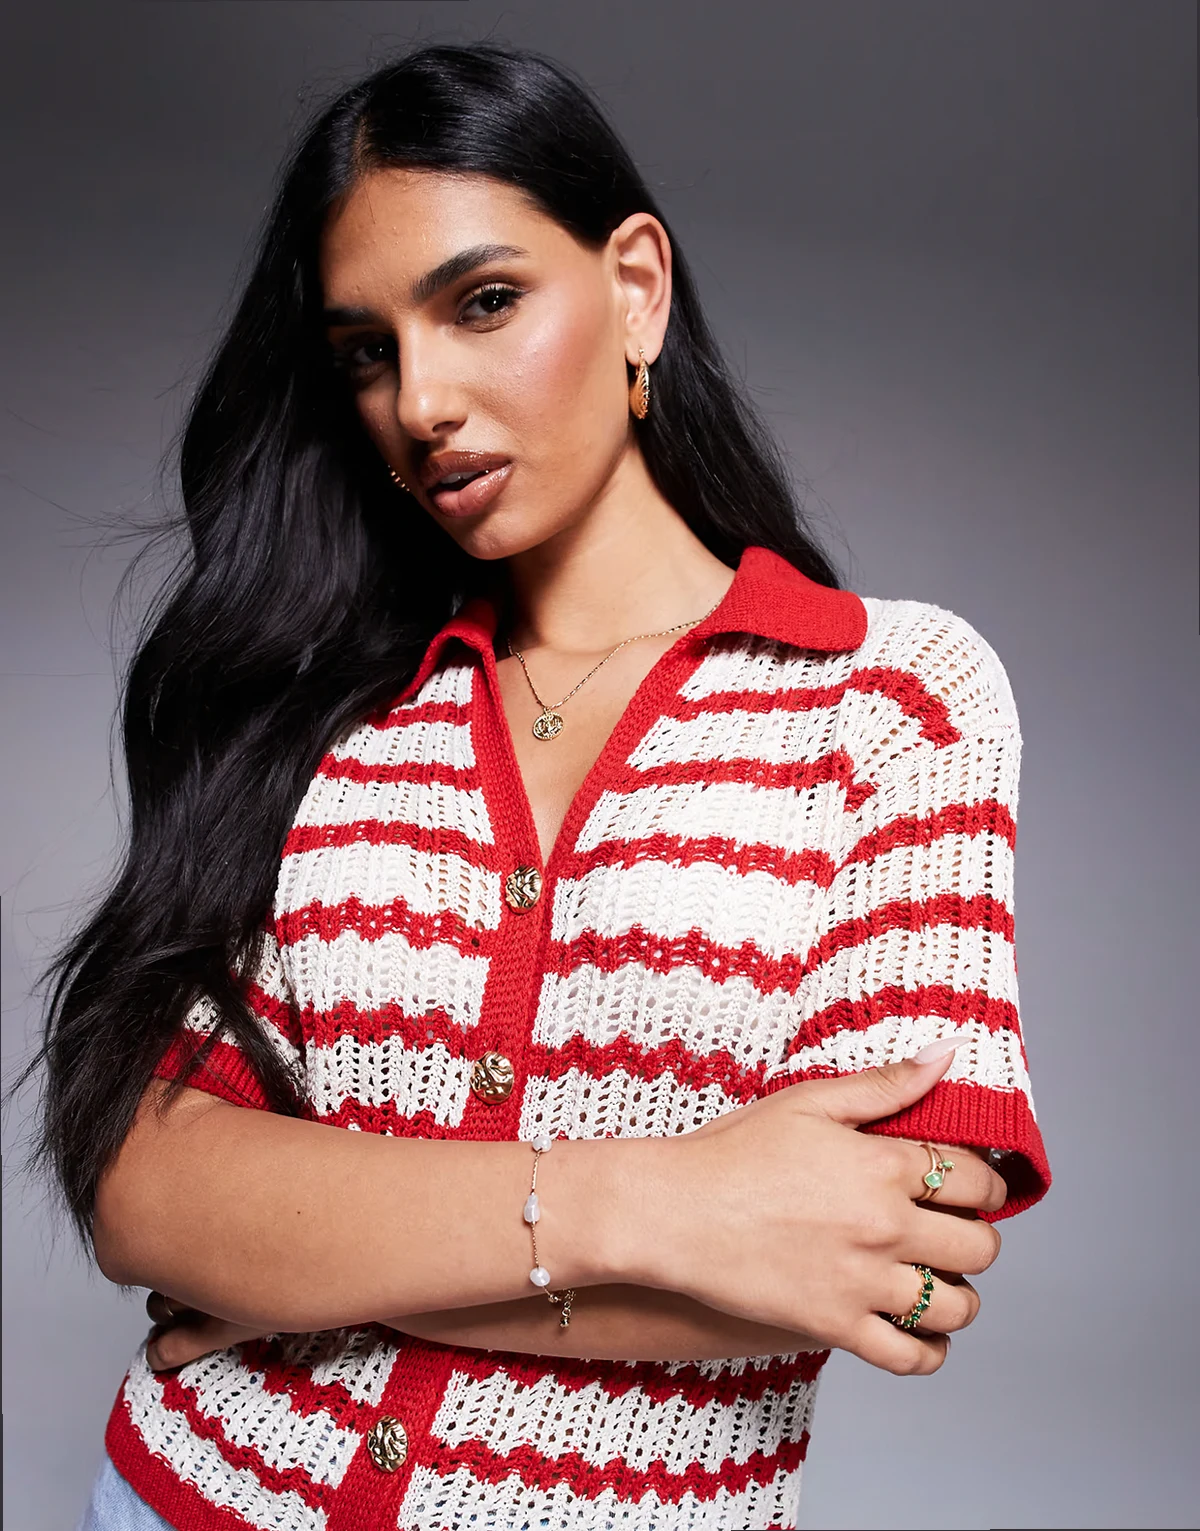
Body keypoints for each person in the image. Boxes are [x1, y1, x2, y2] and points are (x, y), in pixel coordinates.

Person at [20, 41, 1049, 1531]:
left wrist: (295, 1281)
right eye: (366, 350)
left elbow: (897, 1251)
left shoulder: (888, 701)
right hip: (189, 1496)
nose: (420, 400)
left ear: (636, 287)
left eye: (482, 302)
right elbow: (145, 1191)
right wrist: (655, 1202)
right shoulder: (328, 703)